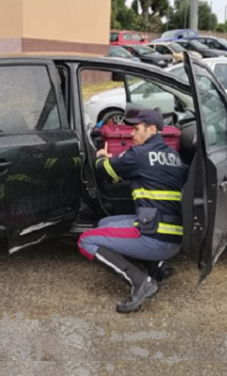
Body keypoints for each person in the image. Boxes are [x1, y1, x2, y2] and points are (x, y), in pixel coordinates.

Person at [77, 108, 188, 313]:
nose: (132, 134)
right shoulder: (173, 155)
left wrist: (101, 156)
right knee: (104, 224)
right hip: (174, 235)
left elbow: (105, 169)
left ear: (152, 129)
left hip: (155, 237)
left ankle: (140, 281)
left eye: (136, 129)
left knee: (86, 240)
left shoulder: (140, 154)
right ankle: (157, 266)